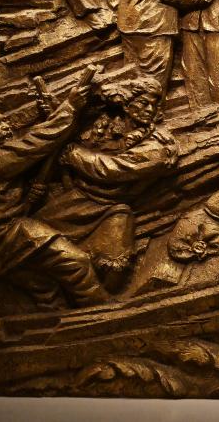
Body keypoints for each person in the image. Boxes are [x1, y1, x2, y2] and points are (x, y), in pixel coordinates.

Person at [0, 69, 109, 309]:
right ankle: (102, 314)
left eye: (3, 120)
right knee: (77, 264)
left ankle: (59, 325)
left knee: (45, 291)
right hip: (11, 236)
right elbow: (34, 144)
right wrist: (69, 106)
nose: (6, 126)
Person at [36, 77, 179, 290]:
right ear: (127, 105)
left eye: (153, 104)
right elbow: (72, 137)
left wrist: (74, 155)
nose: (149, 109)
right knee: (35, 237)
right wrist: (56, 115)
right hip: (78, 200)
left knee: (113, 274)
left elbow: (114, 169)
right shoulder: (104, 125)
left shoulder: (159, 145)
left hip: (113, 208)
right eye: (143, 103)